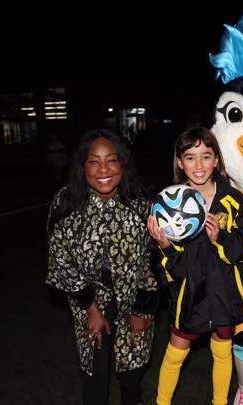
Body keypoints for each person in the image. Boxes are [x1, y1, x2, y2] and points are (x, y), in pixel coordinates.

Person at [46, 129, 159, 405]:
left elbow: (156, 260)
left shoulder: (142, 204)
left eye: (111, 160)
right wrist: (90, 308)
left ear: (123, 164)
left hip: (135, 299)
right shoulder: (67, 203)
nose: (103, 169)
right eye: (94, 161)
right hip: (89, 300)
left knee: (132, 378)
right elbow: (61, 260)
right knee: (95, 378)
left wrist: (143, 309)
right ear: (82, 166)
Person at [147, 127, 243, 405]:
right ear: (180, 162)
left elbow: (242, 251)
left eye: (206, 156)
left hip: (224, 293)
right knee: (176, 352)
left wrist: (221, 238)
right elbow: (173, 270)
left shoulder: (233, 199)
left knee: (222, 351)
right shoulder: (169, 205)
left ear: (216, 160)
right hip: (190, 294)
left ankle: (220, 402)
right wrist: (166, 246)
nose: (198, 165)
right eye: (190, 157)